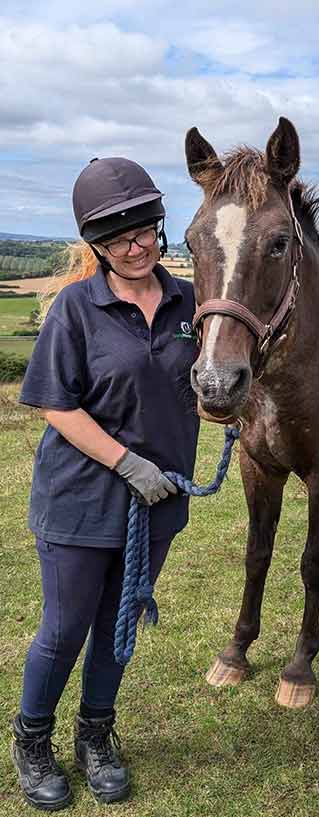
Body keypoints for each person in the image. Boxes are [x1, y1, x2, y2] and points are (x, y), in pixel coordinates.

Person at [11, 157, 200, 810]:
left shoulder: (189, 303)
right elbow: (55, 404)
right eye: (120, 236)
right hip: (81, 501)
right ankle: (32, 740)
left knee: (118, 627)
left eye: (145, 226)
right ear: (97, 245)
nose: (137, 244)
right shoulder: (76, 308)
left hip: (158, 505)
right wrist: (126, 461)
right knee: (65, 628)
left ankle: (96, 734)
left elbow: (201, 384)